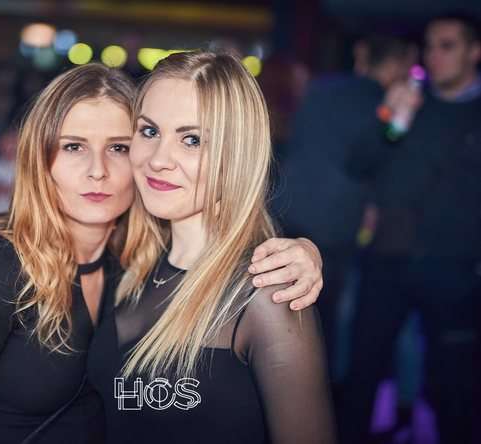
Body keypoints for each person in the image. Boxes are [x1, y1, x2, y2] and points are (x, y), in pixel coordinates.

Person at [0, 63, 325, 444]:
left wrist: (307, 251)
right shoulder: (17, 264)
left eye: (119, 147)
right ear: (39, 158)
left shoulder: (138, 266)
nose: (98, 170)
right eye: (74, 146)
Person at [88, 50, 336, 444]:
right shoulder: (125, 262)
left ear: (235, 154)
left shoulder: (267, 292)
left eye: (192, 140)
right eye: (149, 131)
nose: (158, 159)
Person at [340, 12, 481, 444]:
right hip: (388, 260)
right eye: (430, 46)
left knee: (454, 385)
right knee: (362, 371)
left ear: (475, 52)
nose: (434, 55)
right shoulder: (409, 102)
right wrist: (392, 118)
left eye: (447, 45)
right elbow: (358, 162)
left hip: (455, 268)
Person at [274, 35, 414, 369]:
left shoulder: (321, 87)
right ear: (397, 65)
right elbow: (365, 159)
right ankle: (317, 386)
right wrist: (396, 121)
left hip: (287, 210)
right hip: (334, 227)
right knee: (324, 318)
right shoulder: (378, 101)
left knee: (284, 305)